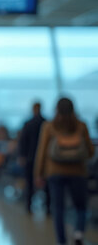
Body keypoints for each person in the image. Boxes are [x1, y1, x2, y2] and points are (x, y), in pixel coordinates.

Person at [35, 98, 95, 245]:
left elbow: (41, 152)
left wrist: (38, 173)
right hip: (78, 172)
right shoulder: (81, 126)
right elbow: (91, 151)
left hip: (55, 172)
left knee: (58, 209)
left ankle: (61, 241)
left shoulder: (49, 127)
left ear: (56, 109)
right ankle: (78, 234)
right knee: (80, 207)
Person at [19, 102, 49, 214]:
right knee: (46, 184)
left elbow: (23, 141)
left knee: (30, 183)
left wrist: (22, 155)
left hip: (30, 158)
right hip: (45, 159)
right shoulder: (46, 123)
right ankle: (48, 207)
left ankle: (29, 206)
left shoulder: (28, 123)